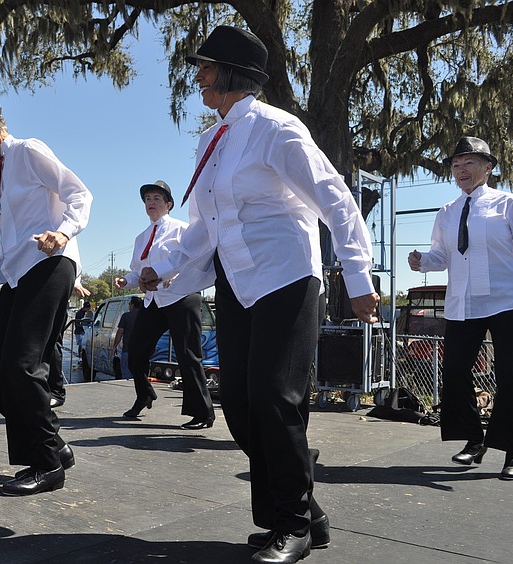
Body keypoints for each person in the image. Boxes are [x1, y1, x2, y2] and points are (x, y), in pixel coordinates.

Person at [139, 27, 378, 563]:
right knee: (242, 406)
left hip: (285, 277)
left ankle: (292, 523)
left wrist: (359, 277)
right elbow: (205, 225)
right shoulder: (211, 141)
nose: (198, 78)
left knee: (276, 399)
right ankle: (305, 513)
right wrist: (164, 267)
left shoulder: (277, 128)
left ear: (231, 73)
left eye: (205, 68)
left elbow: (336, 199)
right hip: (236, 282)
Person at [0, 96, 92, 496]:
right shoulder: (3, 172)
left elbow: (80, 194)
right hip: (19, 272)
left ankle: (47, 465)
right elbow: (9, 245)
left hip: (50, 264)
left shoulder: (28, 151)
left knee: (22, 365)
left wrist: (63, 232)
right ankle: (53, 444)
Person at [408, 136, 513, 481]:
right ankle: (475, 440)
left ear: (488, 167)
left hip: (505, 301)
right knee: (454, 373)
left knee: (512, 377)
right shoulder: (447, 212)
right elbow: (441, 255)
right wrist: (421, 261)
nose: (461, 170)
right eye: (456, 165)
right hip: (463, 303)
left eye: (469, 163)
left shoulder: (509, 204)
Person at [115, 181, 215, 428]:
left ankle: (203, 413)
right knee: (135, 352)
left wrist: (175, 277)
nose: (151, 202)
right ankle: (144, 394)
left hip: (181, 296)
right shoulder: (141, 238)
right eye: (147, 198)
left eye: (157, 198)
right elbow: (137, 272)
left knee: (188, 355)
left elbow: (193, 259)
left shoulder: (183, 229)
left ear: (168, 204)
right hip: (154, 300)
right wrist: (125, 281)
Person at [111, 296, 142, 381]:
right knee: (140, 375)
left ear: (132, 305)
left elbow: (120, 332)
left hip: (127, 350)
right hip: (142, 352)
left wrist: (114, 346)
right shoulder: (145, 317)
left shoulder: (126, 316)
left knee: (126, 373)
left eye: (129, 304)